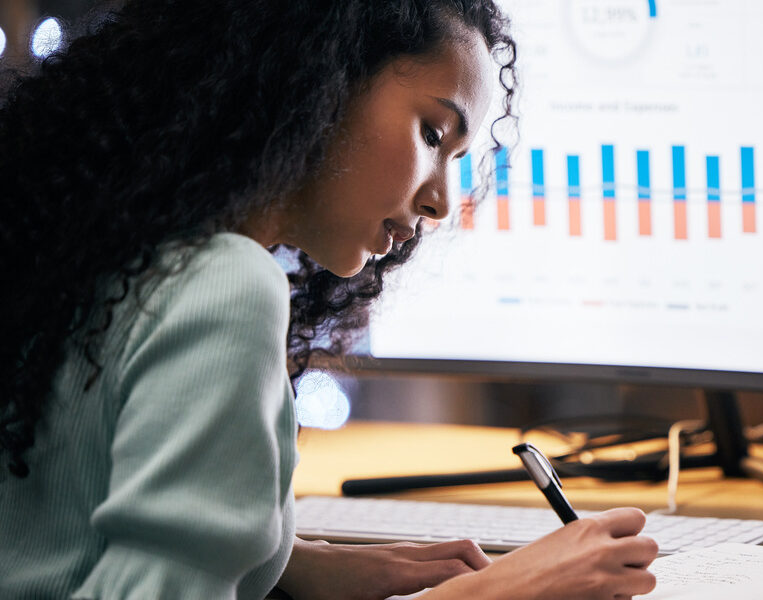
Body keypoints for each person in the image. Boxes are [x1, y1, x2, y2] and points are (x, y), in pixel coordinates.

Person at [0, 1, 659, 599]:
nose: (440, 202)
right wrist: (485, 596)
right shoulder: (225, 283)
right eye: (433, 134)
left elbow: (60, 516)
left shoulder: (99, 256)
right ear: (322, 82)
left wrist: (283, 561)